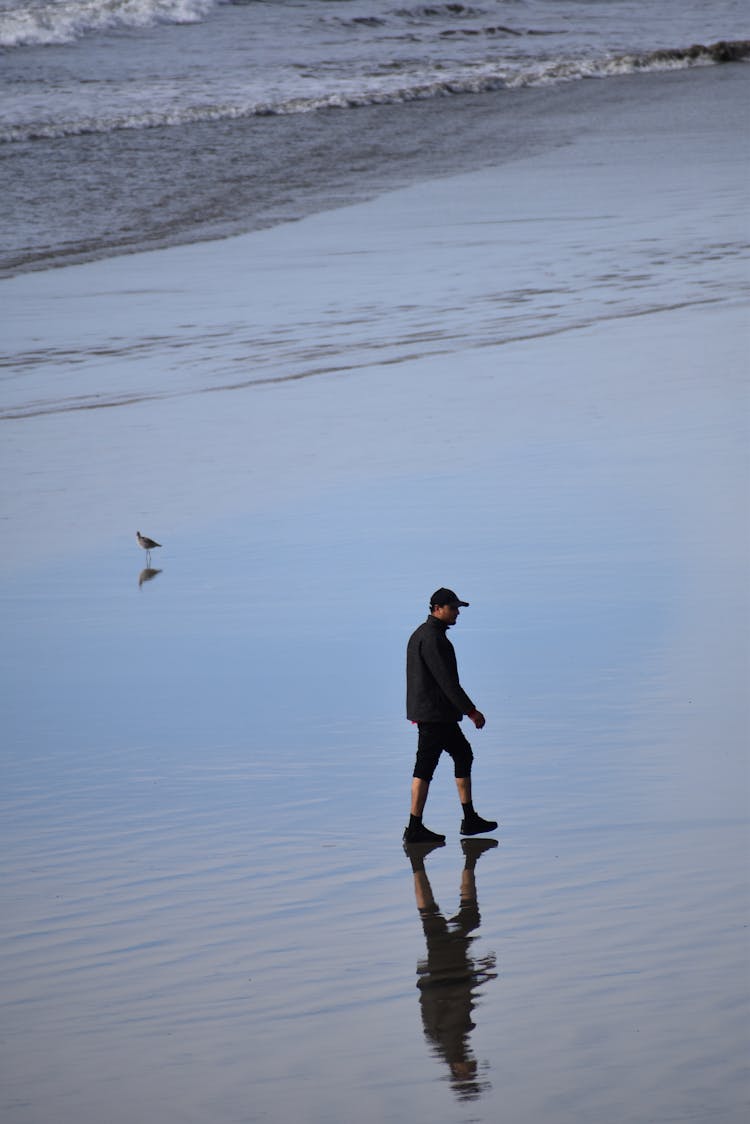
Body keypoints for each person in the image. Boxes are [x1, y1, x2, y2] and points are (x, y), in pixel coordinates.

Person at [404, 588, 498, 844]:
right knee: (427, 767)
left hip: (430, 714)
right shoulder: (435, 640)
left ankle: (465, 819)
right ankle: (417, 827)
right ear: (437, 609)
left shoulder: (419, 635)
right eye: (453, 608)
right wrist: (471, 711)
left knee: (456, 756)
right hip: (436, 716)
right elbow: (448, 683)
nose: (457, 612)